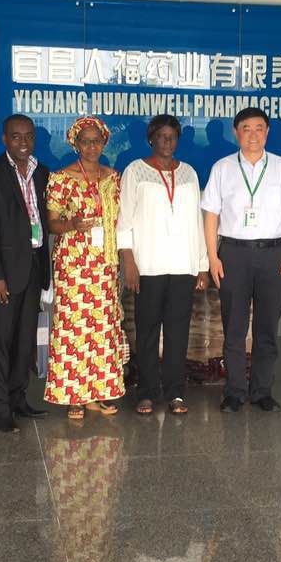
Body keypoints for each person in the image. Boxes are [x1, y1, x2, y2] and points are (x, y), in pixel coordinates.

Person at [201, 107, 281, 413]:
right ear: (236, 133)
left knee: (266, 328)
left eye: (259, 128)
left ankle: (261, 391)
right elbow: (211, 216)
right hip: (233, 253)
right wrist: (212, 257)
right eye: (246, 128)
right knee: (234, 327)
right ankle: (234, 391)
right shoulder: (222, 168)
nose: (253, 134)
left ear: (267, 132)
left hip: (273, 254)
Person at [117, 114, 208, 416]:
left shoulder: (189, 173)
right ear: (151, 139)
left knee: (177, 332)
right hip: (148, 265)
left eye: (172, 137)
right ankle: (146, 392)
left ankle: (175, 392)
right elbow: (124, 220)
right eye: (161, 136)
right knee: (146, 332)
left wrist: (202, 265)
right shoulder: (135, 171)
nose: (167, 142)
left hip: (183, 265)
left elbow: (197, 222)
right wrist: (129, 261)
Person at [44, 116, 127, 420]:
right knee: (74, 328)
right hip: (74, 265)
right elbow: (51, 223)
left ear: (104, 142)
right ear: (75, 143)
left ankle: (99, 392)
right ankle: (74, 396)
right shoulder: (62, 178)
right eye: (85, 141)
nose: (92, 146)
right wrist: (72, 224)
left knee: (103, 328)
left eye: (97, 141)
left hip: (104, 264)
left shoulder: (113, 178)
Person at [0, 114, 51, 433]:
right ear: (4, 139)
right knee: (1, 341)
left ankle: (19, 398)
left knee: (24, 339)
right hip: (4, 272)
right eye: (16, 136)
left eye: (28, 136)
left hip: (33, 267)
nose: (23, 142)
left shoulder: (42, 172)